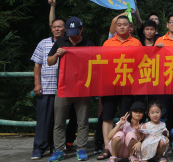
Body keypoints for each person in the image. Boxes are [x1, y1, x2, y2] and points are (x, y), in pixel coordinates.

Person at [47, 16, 95, 162]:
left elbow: (97, 64)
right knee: (59, 121)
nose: (72, 36)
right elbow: (49, 62)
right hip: (64, 88)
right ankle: (59, 150)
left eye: (76, 32)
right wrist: (57, 54)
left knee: (83, 121)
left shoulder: (89, 44)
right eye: (70, 32)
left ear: (81, 29)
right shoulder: (60, 42)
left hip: (83, 88)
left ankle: (81, 149)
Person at [99, 15, 142, 160]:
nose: (122, 27)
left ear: (130, 27)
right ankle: (107, 146)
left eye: (125, 24)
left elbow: (141, 62)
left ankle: (123, 146)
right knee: (107, 116)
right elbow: (102, 63)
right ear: (115, 27)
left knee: (125, 116)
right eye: (119, 24)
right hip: (110, 85)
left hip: (128, 85)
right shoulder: (107, 43)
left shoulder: (136, 42)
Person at [31, 0, 66, 160]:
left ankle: (54, 146)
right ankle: (38, 148)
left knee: (58, 121)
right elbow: (37, 65)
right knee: (43, 120)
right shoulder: (43, 43)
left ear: (65, 29)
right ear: (51, 29)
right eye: (54, 27)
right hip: (46, 88)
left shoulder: (69, 43)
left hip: (63, 89)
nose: (57, 29)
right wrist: (37, 84)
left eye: (60, 27)